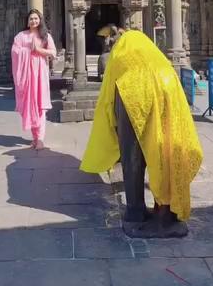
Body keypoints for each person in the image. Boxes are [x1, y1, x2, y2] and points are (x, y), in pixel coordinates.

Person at [80, 29, 203, 225]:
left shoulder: (122, 64)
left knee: (132, 161)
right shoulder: (165, 69)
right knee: (164, 155)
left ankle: (135, 210)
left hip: (129, 99)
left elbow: (107, 94)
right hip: (163, 111)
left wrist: (113, 123)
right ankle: (165, 208)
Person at [11, 9, 56, 150]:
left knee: (40, 106)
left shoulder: (45, 36)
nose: (34, 21)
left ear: (40, 20)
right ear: (27, 21)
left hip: (39, 74)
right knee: (30, 106)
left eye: (36, 18)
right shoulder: (20, 36)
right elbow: (14, 52)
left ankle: (41, 139)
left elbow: (53, 53)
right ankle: (35, 138)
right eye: (31, 19)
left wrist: (38, 50)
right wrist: (26, 51)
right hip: (26, 76)